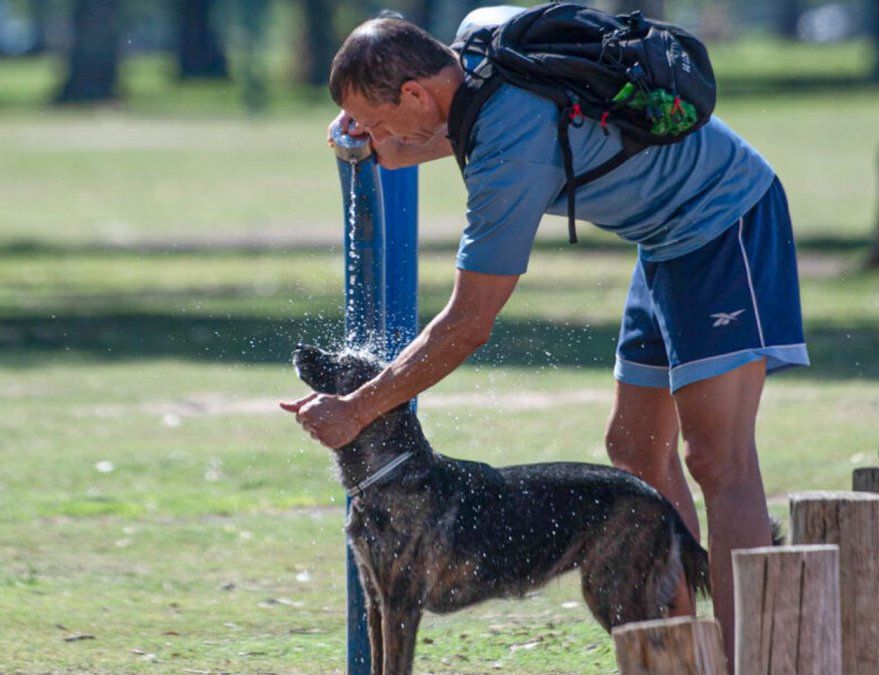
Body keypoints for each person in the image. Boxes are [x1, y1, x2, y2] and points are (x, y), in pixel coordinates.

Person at [280, 9, 808, 660]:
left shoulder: (508, 151)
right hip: (665, 240)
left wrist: (357, 408)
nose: (376, 135)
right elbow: (417, 142)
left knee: (717, 460)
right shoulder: (475, 47)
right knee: (635, 447)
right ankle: (677, 656)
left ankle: (754, 656)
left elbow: (468, 324)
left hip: (725, 220)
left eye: (380, 120)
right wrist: (378, 136)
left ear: (416, 92)